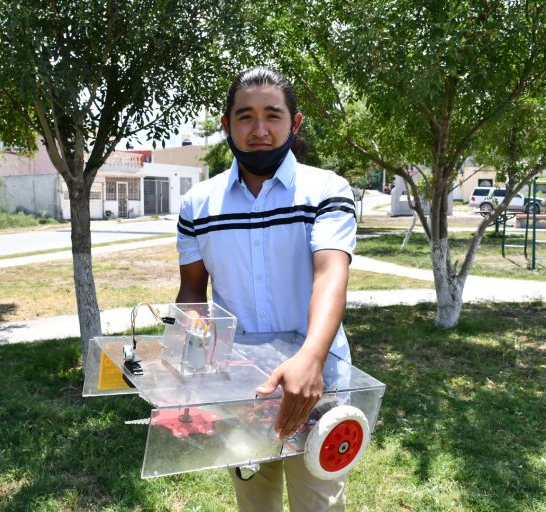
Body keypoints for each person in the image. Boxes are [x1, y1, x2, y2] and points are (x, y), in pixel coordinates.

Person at [175, 66, 357, 512]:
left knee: (319, 504)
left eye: (273, 116)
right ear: (226, 126)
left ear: (294, 124)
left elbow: (330, 274)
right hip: (242, 386)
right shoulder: (198, 205)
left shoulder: (327, 190)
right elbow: (193, 292)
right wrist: (186, 367)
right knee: (255, 504)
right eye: (245, 116)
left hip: (319, 384)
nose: (259, 130)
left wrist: (311, 360)